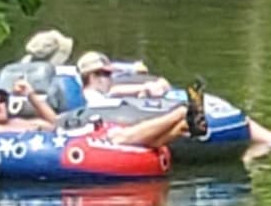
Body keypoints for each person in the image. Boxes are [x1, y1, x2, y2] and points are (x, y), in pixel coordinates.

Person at [74, 52, 204, 148]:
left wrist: (144, 89)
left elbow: (117, 90)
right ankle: (183, 113)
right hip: (110, 137)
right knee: (120, 136)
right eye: (107, 74)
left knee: (169, 134)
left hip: (120, 135)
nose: (111, 78)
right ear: (93, 77)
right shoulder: (91, 99)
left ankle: (184, 124)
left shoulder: (104, 94)